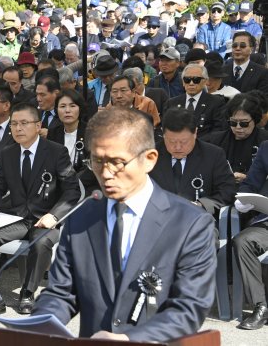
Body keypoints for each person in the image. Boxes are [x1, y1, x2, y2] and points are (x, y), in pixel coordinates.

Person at [32, 107, 217, 342]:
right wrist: (37, 328)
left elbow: (188, 310)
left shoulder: (190, 223)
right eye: (97, 161)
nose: (106, 173)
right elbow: (62, 293)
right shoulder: (82, 215)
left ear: (149, 159)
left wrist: (130, 339)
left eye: (117, 162)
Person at [0, 103, 81, 315]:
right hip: (17, 219)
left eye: (24, 123)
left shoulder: (56, 152)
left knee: (41, 241)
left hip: (45, 220)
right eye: (14, 124)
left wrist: (54, 215)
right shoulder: (8, 153)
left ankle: (28, 292)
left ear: (38, 125)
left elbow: (72, 191)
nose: (18, 128)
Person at [150, 107, 235, 215]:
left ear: (195, 133)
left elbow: (227, 191)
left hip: (199, 219)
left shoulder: (213, 155)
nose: (178, 147)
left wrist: (201, 205)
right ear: (163, 133)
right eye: (171, 141)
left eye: (184, 142)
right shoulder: (150, 155)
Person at [233, 141, 268, 330]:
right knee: (243, 241)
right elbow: (250, 183)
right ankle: (261, 306)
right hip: (267, 221)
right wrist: (244, 200)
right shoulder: (266, 148)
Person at [202, 94, 268, 186]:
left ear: (255, 120)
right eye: (233, 122)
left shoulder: (265, 141)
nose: (238, 127)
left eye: (244, 123)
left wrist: (249, 178)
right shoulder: (215, 140)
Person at [164, 64, 225, 138]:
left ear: (205, 81)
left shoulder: (216, 102)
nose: (191, 83)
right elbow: (166, 129)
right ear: (183, 82)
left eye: (196, 80)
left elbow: (218, 130)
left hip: (204, 146)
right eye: (187, 80)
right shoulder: (172, 103)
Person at [47, 89, 88, 173]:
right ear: (56, 110)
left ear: (80, 109)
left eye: (72, 106)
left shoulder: (90, 132)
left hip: (84, 183)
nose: (67, 110)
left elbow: (91, 167)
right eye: (62, 106)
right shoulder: (52, 134)